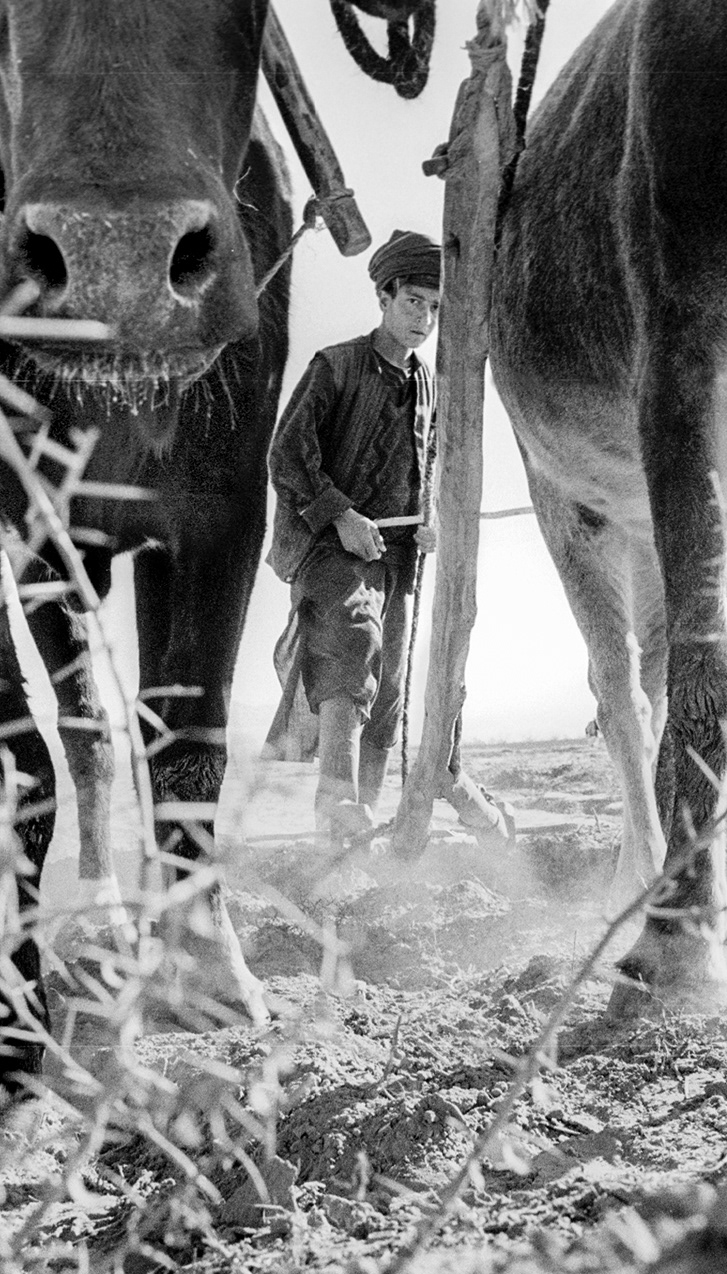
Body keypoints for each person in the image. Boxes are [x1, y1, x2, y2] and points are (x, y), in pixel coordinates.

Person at [263, 231, 444, 842]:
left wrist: (429, 520)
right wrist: (342, 517)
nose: (424, 318)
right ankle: (334, 808)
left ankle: (362, 815)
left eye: (435, 308)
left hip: (396, 558)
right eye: (414, 301)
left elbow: (428, 465)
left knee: (389, 683)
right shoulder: (335, 366)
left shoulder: (428, 386)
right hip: (333, 550)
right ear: (383, 296)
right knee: (350, 650)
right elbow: (288, 453)